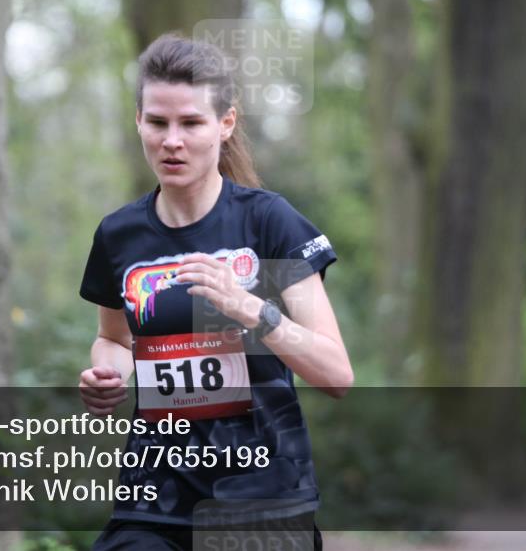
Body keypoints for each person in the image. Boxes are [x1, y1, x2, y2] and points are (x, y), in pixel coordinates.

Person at [78, 33, 353, 550]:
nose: (172, 140)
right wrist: (109, 373)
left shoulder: (269, 224)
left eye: (191, 123)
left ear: (225, 124)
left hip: (261, 503)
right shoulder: (119, 236)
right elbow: (114, 340)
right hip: (154, 501)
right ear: (138, 120)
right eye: (158, 122)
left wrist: (248, 307)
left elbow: (337, 374)